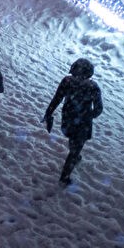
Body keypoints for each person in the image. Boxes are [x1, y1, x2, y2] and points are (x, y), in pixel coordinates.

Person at [44, 57, 104, 185]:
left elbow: (57, 99)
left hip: (68, 119)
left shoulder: (66, 81)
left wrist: (49, 113)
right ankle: (65, 177)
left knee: (72, 139)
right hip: (83, 123)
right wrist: (88, 116)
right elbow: (99, 109)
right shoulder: (93, 87)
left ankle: (75, 156)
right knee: (76, 147)